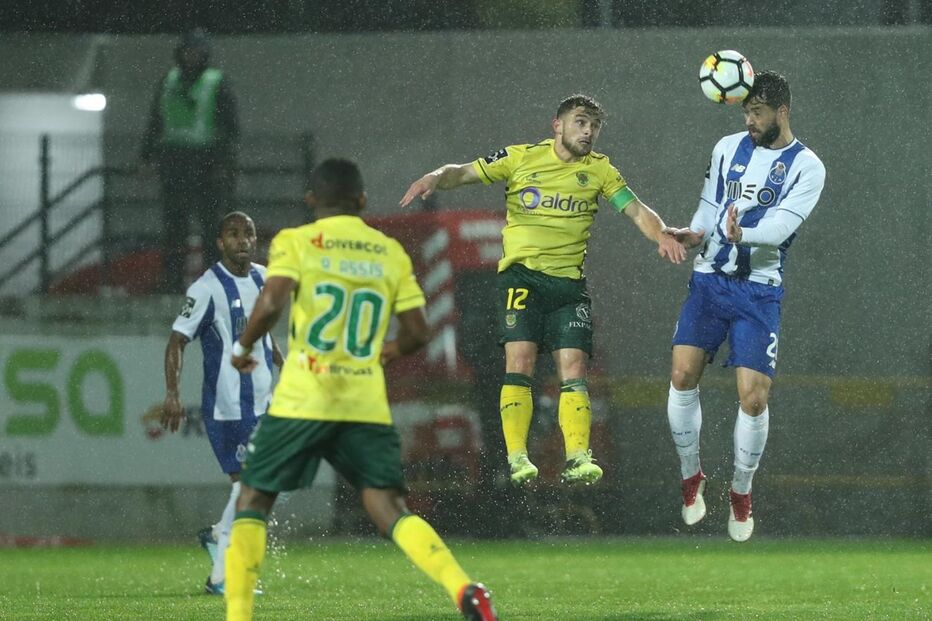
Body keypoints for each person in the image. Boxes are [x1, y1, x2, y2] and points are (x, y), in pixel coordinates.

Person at [226, 159, 499, 621]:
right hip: (364, 404)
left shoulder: (297, 241)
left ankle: (238, 616)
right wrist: (384, 351)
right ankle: (463, 587)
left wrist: (245, 344)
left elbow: (272, 300)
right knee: (389, 507)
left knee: (253, 498)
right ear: (363, 201)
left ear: (311, 201)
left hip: (304, 399)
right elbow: (417, 331)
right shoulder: (388, 252)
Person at [399, 94, 686, 487]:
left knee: (574, 369)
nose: (588, 132)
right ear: (558, 125)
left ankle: (577, 457)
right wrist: (435, 176)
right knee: (520, 362)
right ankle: (516, 457)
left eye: (594, 126)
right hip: (523, 279)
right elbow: (464, 171)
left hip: (568, 285)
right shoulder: (521, 158)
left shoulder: (600, 171)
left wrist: (662, 233)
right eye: (581, 122)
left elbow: (635, 209)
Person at [666, 71, 825, 542]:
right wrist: (696, 233)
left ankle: (741, 489)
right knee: (680, 376)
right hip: (709, 280)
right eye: (746, 112)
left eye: (757, 112)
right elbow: (708, 205)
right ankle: (692, 475)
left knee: (753, 398)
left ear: (783, 111)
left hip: (758, 289)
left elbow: (779, 229)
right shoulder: (726, 147)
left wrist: (742, 234)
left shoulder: (807, 167)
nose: (749, 121)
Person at [161, 211, 283, 593]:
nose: (243, 240)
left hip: (264, 403)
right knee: (250, 487)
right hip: (229, 407)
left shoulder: (264, 277)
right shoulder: (206, 288)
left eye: (248, 232)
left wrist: (281, 361)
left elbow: (262, 334)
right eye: (233, 234)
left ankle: (219, 536)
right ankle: (224, 576)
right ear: (220, 242)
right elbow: (177, 340)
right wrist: (172, 393)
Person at [141, 28, 239, 293]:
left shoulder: (215, 82)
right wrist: (147, 155)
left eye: (196, 52)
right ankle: (172, 282)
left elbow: (229, 126)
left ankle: (213, 283)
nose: (192, 57)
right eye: (188, 51)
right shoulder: (169, 81)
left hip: (207, 162)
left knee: (211, 227)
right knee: (174, 226)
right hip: (174, 162)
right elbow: (156, 120)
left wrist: (223, 162)